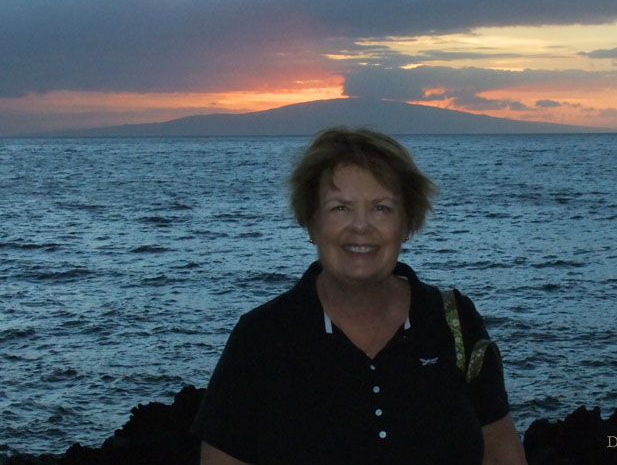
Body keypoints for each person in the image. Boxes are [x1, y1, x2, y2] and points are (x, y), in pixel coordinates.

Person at [192, 127, 527, 465]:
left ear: (407, 223)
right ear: (311, 223)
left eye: (381, 208)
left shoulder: (453, 320)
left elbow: (501, 452)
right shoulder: (262, 337)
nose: (361, 226)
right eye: (340, 208)